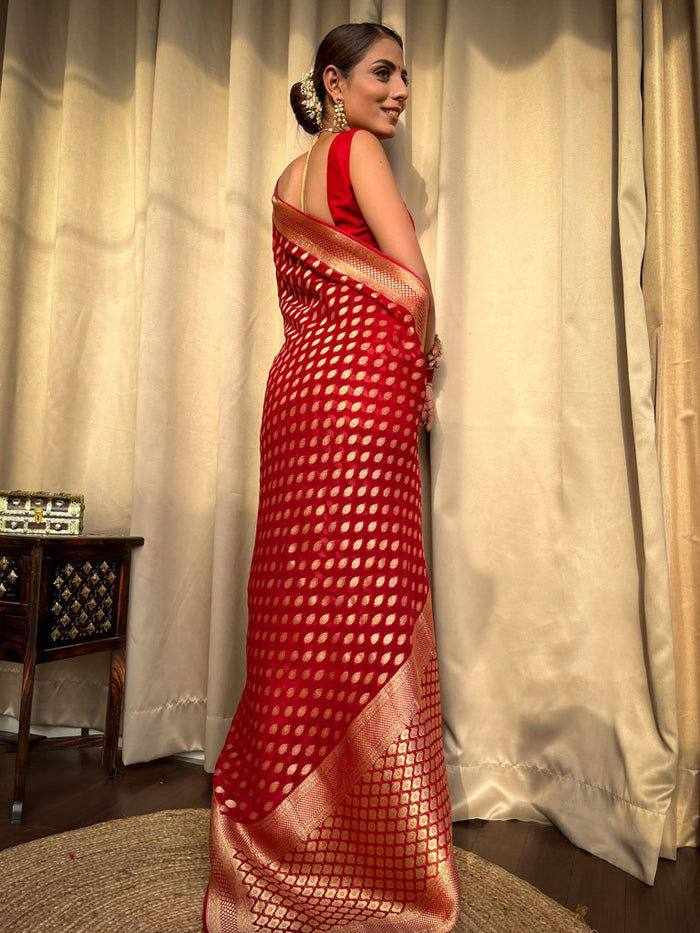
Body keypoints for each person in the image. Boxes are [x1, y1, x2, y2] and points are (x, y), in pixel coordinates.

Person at [203, 21, 456, 932]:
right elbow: (409, 283)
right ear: (334, 83)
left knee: (302, 605)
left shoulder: (283, 182)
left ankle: (279, 828)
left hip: (297, 394)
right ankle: (373, 846)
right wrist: (427, 355)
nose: (399, 90)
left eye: (404, 76)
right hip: (359, 392)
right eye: (383, 72)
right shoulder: (357, 152)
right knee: (371, 607)